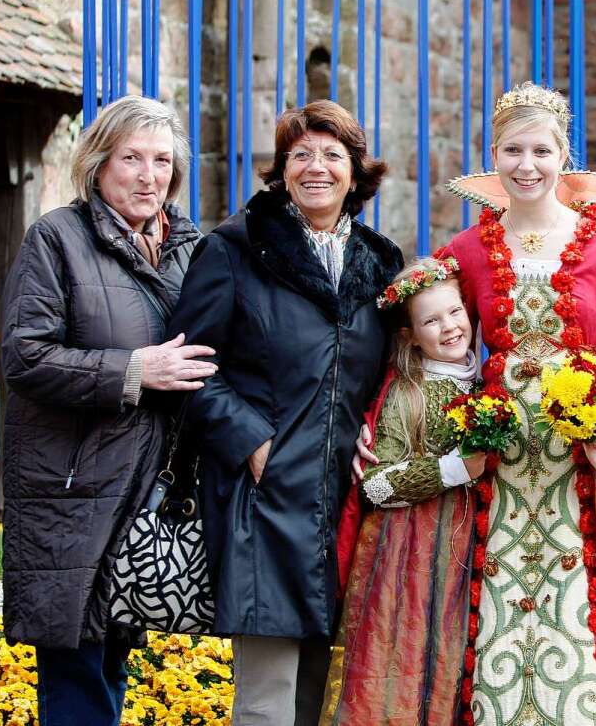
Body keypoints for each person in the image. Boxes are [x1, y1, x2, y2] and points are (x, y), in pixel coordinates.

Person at [437, 83, 596, 726]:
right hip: (498, 465)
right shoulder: (463, 253)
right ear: (494, 157)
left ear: (563, 156)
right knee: (493, 611)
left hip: (580, 468)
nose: (526, 165)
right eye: (512, 150)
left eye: (541, 150)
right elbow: (438, 345)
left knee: (582, 612)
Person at [168, 100, 403, 725]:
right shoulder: (234, 250)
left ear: (356, 172)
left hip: (348, 500)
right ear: (282, 170)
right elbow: (189, 367)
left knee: (322, 698)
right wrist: (252, 441)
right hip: (262, 498)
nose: (316, 167)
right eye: (301, 155)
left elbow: (392, 375)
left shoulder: (381, 263)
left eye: (332, 155)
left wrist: (379, 434)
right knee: (266, 701)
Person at [0, 95, 213, 726]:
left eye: (163, 161)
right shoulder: (57, 240)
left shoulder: (189, 251)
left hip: (147, 492)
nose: (150, 176)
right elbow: (24, 355)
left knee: (112, 663)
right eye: (132, 159)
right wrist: (133, 370)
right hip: (73, 491)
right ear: (98, 164)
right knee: (76, 670)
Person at [322, 257, 488, 724]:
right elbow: (376, 484)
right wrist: (452, 469)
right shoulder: (408, 392)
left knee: (454, 657)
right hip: (409, 550)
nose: (449, 327)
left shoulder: (484, 384)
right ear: (411, 335)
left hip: (463, 548)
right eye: (431, 321)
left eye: (455, 313)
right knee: (406, 654)